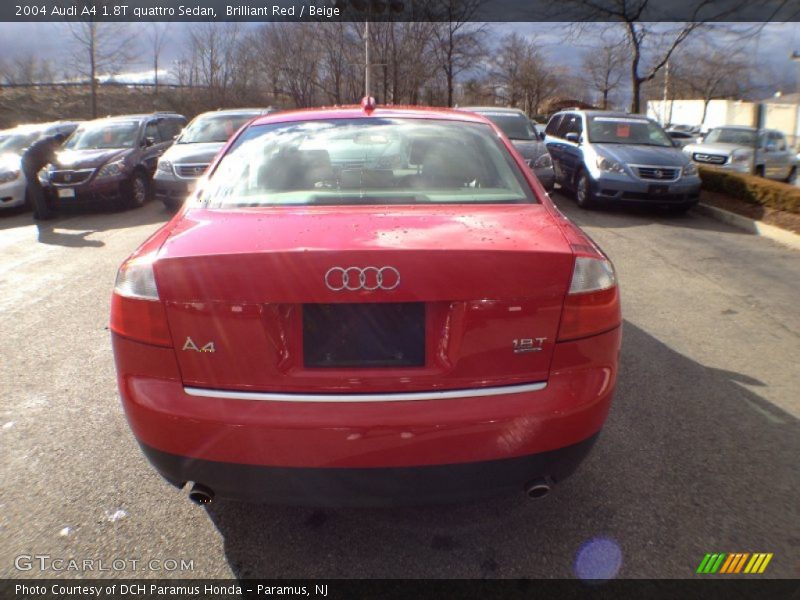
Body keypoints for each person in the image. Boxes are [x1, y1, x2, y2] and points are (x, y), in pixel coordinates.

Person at [21, 132, 66, 220]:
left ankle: (38, 213)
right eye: (58, 144)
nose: (58, 146)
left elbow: (51, 155)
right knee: (36, 190)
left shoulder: (47, 141)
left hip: (29, 163)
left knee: (36, 189)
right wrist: (65, 166)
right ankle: (43, 215)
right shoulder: (46, 145)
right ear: (56, 141)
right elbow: (53, 160)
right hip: (29, 166)